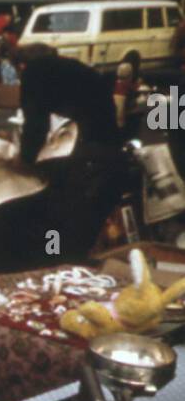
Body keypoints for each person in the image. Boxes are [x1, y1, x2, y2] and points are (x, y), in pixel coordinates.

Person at [9, 43, 127, 263]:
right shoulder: (75, 69)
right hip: (110, 156)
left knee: (54, 221)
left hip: (87, 159)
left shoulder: (35, 73)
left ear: (22, 65)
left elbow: (36, 123)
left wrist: (25, 159)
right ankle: (70, 264)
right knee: (80, 229)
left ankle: (52, 262)